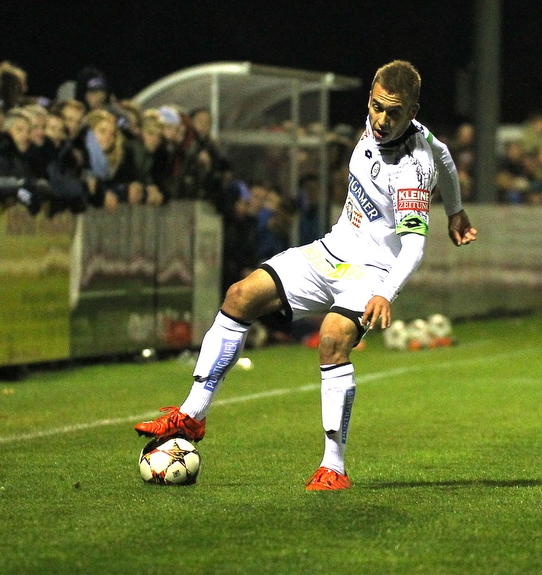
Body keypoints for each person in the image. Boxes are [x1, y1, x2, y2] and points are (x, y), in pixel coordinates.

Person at [135, 60, 478, 490]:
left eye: (394, 112)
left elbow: (414, 244)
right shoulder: (393, 126)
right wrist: (457, 209)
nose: (382, 120)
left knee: (333, 338)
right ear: (370, 97)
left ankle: (333, 465)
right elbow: (444, 152)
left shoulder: (410, 169)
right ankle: (193, 414)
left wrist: (387, 292)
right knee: (240, 295)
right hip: (333, 250)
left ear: (411, 110)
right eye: (376, 107)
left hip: (373, 273)